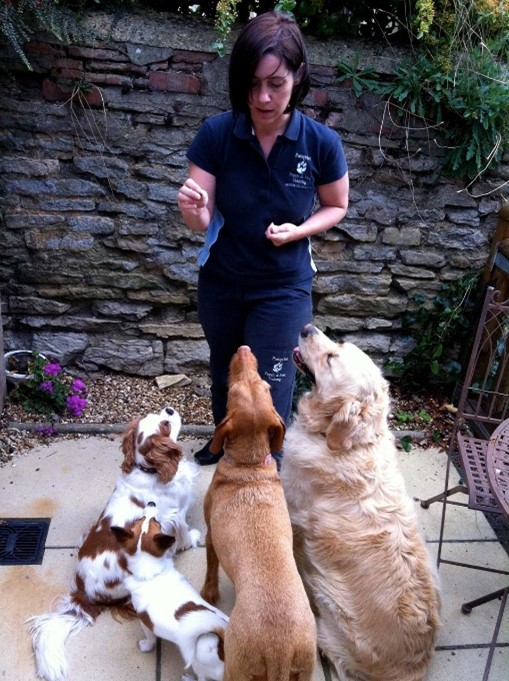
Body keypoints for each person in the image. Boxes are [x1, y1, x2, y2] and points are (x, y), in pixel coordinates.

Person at [177, 10, 349, 468]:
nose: (262, 97)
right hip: (223, 282)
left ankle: (270, 465)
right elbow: (201, 219)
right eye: (252, 84)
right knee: (226, 373)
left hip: (283, 285)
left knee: (272, 381)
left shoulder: (321, 143)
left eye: (275, 83)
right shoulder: (216, 134)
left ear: (298, 76)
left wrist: (299, 230)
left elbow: (337, 205)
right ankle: (226, 447)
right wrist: (193, 210)